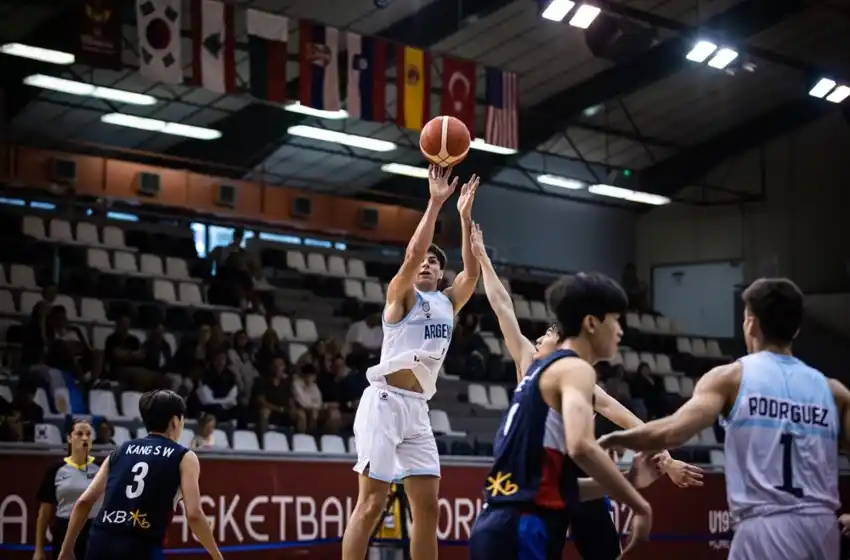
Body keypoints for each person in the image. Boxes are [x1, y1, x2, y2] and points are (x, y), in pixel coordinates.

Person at [468, 224, 702, 559]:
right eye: (615, 321)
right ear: (591, 323)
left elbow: (568, 482)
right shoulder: (570, 369)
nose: (620, 332)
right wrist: (639, 504)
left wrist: (640, 474)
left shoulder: (544, 375)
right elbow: (581, 447)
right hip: (521, 522)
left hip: (508, 515)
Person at [599, 278, 847, 560]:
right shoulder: (833, 391)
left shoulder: (732, 378)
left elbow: (672, 432)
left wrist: (614, 438)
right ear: (797, 328)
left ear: (750, 324)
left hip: (764, 527)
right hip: (822, 529)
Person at [341, 166, 481, 560]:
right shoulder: (400, 297)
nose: (427, 263)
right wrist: (435, 203)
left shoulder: (448, 302)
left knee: (429, 508)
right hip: (385, 403)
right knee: (371, 504)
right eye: (424, 260)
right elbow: (413, 253)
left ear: (441, 272)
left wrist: (464, 216)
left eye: (435, 262)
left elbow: (472, 274)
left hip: (418, 409)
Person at [57, 390, 223, 560]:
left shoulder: (119, 451)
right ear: (175, 422)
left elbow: (84, 501)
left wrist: (66, 549)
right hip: (141, 547)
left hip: (100, 543)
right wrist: (217, 556)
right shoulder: (184, 456)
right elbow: (194, 515)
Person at [35, 419, 100, 560]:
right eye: (79, 434)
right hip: (63, 531)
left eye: (88, 434)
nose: (84, 438)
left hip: (93, 533)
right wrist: (38, 550)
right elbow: (44, 513)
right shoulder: (55, 469)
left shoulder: (101, 469)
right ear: (69, 438)